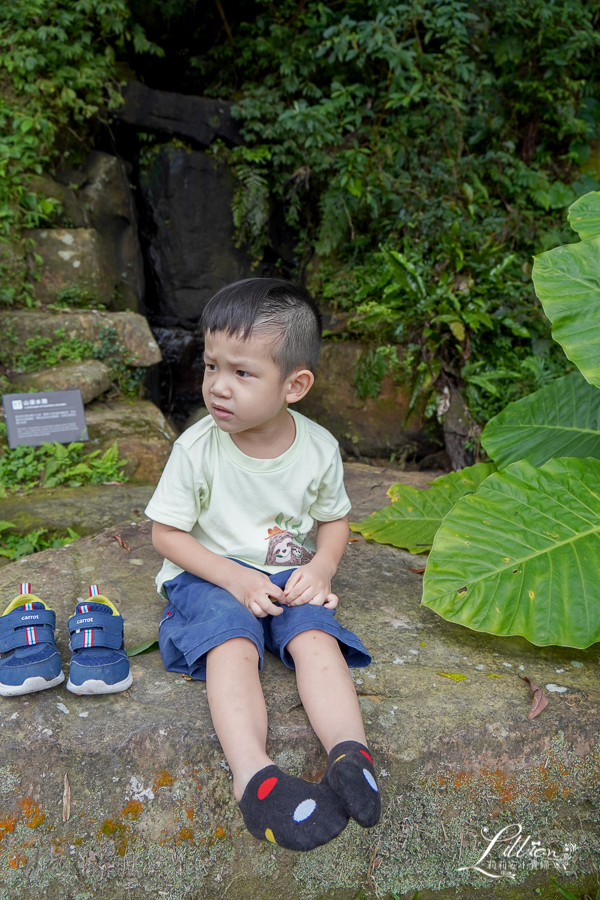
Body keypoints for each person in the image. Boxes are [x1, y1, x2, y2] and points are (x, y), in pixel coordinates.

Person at [145, 278, 380, 851]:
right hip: (209, 572)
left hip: (285, 572)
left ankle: (352, 753)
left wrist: (322, 567)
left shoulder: (318, 447)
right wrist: (233, 576)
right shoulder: (197, 449)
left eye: (243, 373)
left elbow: (334, 520)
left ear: (295, 384)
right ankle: (254, 777)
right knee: (234, 643)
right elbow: (166, 534)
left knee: (315, 637)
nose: (218, 388)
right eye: (211, 367)